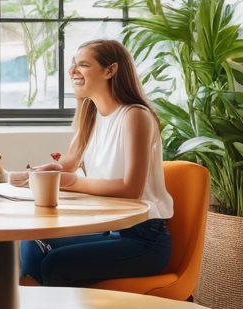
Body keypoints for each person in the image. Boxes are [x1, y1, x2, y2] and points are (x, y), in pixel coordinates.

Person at [18, 39, 173, 287]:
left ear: (110, 70)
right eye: (73, 64)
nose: (72, 71)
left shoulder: (135, 116)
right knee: (32, 244)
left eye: (83, 65)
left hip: (143, 239)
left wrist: (71, 182)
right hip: (109, 228)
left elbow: (131, 189)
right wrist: (39, 173)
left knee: (55, 264)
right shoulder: (91, 113)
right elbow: (69, 164)